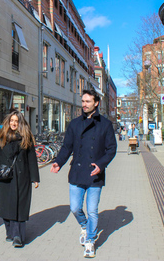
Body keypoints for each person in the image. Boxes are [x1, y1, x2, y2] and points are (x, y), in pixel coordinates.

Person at [50, 89, 117, 258]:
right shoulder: (74, 124)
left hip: (95, 174)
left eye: (88, 101)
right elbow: (67, 147)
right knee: (75, 208)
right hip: (78, 172)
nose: (84, 104)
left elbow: (111, 149)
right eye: (83, 101)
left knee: (93, 210)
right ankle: (85, 225)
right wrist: (58, 162)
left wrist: (101, 165)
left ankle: (90, 241)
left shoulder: (105, 124)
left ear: (96, 103)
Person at [0, 110, 40, 248]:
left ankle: (18, 236)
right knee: (6, 208)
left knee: (20, 207)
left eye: (16, 121)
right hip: (6, 178)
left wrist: (35, 178)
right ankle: (9, 232)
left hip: (22, 178)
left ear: (20, 123)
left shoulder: (26, 137)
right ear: (8, 122)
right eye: (12, 121)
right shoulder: (1, 137)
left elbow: (32, 159)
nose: (14, 123)